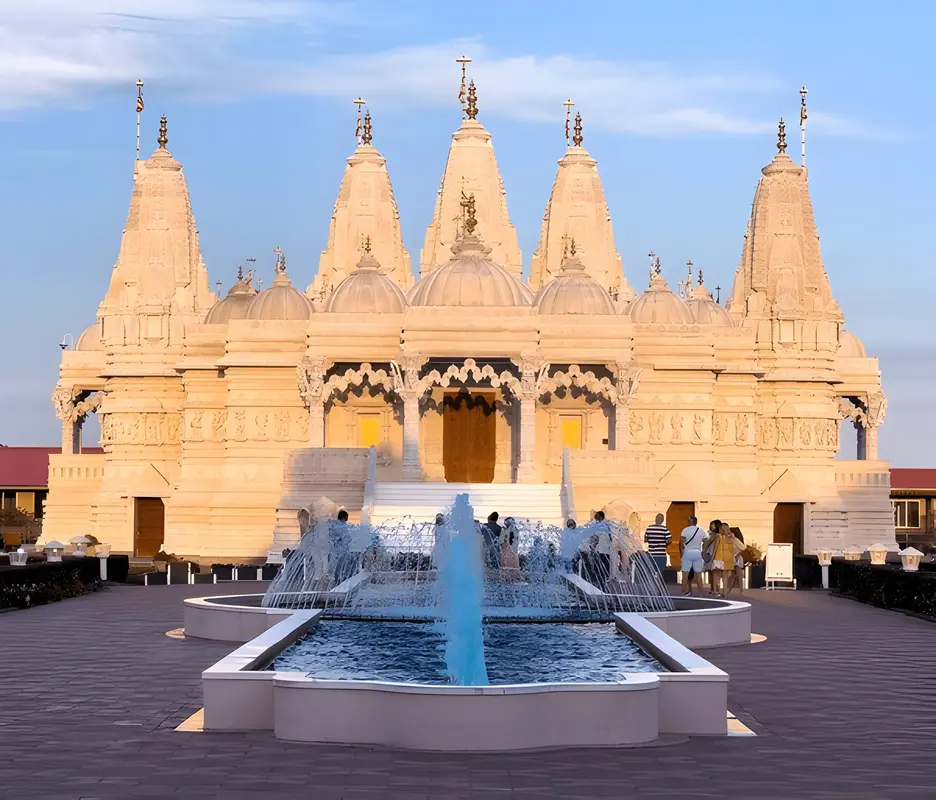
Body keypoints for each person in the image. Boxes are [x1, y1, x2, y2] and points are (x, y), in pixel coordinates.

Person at [679, 515, 706, 596]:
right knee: (698, 574)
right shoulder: (701, 531)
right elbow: (705, 541)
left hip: (688, 552)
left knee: (685, 573)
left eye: (688, 520)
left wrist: (681, 553)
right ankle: (701, 593)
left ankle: (684, 592)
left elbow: (681, 542)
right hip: (698, 552)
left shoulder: (685, 530)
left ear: (691, 521)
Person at [726, 526, 746, 595]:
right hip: (732, 558)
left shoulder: (735, 539)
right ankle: (728, 590)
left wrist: (737, 555)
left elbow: (743, 548)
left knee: (737, 574)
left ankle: (740, 590)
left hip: (737, 558)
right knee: (732, 575)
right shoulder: (729, 539)